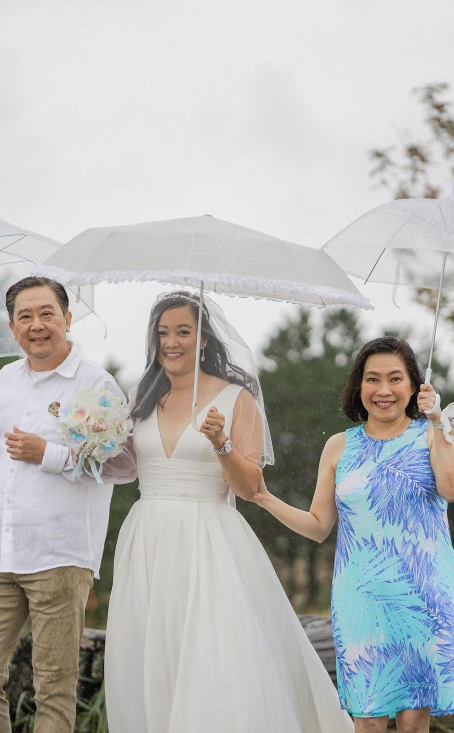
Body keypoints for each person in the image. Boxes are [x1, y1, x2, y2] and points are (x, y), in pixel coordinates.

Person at [104, 291, 352, 733]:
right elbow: (124, 467)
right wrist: (88, 441)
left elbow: (250, 486)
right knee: (153, 650)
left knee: (212, 653)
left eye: (183, 331)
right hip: (147, 536)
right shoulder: (141, 394)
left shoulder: (238, 398)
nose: (172, 342)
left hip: (208, 538)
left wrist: (222, 444)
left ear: (203, 339)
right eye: (163, 333)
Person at [252, 336, 454, 733]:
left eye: (396, 378)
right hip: (362, 598)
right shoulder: (339, 446)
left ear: (414, 386)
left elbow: (452, 488)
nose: (384, 390)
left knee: (413, 722)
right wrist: (263, 497)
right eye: (373, 379)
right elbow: (318, 526)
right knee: (369, 720)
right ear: (359, 387)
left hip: (422, 595)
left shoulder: (432, 434)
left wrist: (438, 422)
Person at [0, 276, 136, 733]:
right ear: (12, 326)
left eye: (46, 314)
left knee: (53, 691)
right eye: (25, 317)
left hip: (59, 557)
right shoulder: (2, 379)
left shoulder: (96, 384)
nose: (36, 325)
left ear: (67, 319)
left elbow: (122, 464)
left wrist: (50, 454)